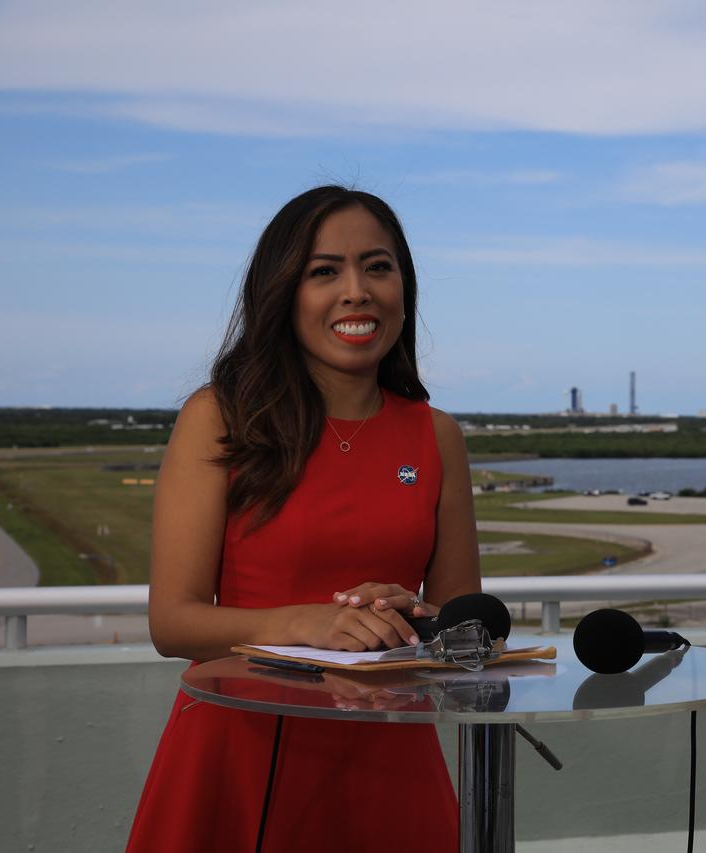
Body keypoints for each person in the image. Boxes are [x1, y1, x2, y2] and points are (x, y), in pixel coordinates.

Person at [127, 186, 480, 852]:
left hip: (392, 758)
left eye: (378, 267)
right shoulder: (220, 417)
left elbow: (466, 628)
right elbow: (171, 621)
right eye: (325, 272)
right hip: (240, 751)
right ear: (283, 292)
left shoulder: (437, 436)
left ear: (404, 286)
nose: (357, 291)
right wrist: (302, 621)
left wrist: (417, 614)